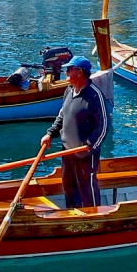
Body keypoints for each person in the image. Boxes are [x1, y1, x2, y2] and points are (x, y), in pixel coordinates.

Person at [42, 56, 109, 209]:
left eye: (69, 70)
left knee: (87, 188)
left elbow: (103, 125)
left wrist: (90, 145)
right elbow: (62, 115)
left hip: (86, 153)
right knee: (69, 186)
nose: (65, 72)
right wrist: (50, 134)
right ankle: (72, 214)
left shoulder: (94, 95)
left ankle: (92, 215)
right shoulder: (69, 91)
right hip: (67, 152)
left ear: (79, 72)